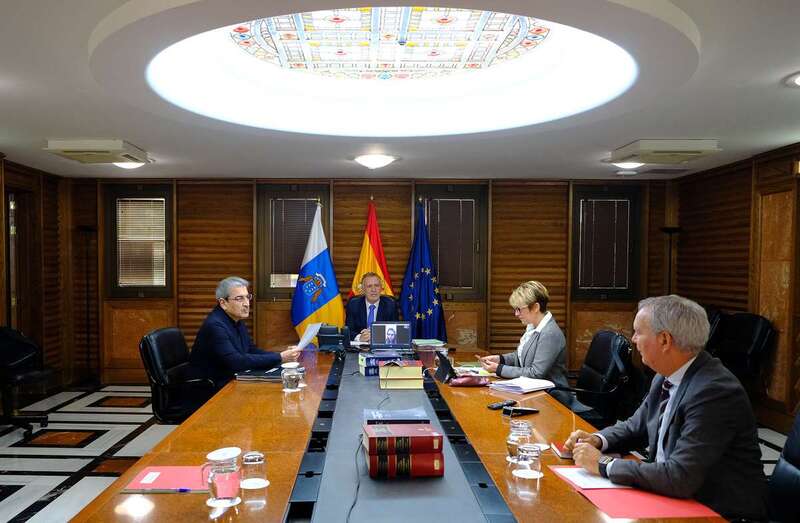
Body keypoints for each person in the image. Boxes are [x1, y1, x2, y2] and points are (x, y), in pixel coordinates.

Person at [565, 295, 767, 521]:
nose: (633, 339)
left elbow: (680, 476)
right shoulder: (665, 375)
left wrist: (603, 464)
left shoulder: (714, 391)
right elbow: (636, 426)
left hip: (716, 512)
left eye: (638, 332)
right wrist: (598, 440)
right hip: (672, 498)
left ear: (664, 340)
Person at [477, 281, 580, 410]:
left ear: (535, 307)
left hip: (553, 399)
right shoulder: (533, 327)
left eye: (519, 309)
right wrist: (500, 359)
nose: (516, 314)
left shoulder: (549, 333)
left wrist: (498, 369)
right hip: (536, 394)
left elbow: (536, 373)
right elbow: (521, 357)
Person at [189, 276, 302, 389]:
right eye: (239, 299)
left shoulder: (235, 319)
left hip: (230, 382)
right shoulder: (215, 326)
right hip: (209, 390)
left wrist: (281, 355)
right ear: (223, 303)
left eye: (247, 297)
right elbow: (236, 362)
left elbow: (251, 350)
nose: (247, 304)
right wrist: (280, 357)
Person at [345, 272, 399, 342]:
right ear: (363, 289)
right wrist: (360, 337)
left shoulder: (390, 304)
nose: (373, 290)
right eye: (369, 286)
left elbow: (395, 330)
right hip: (359, 348)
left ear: (381, 288)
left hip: (382, 348)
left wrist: (375, 335)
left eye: (376, 285)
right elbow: (348, 330)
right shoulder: (354, 304)